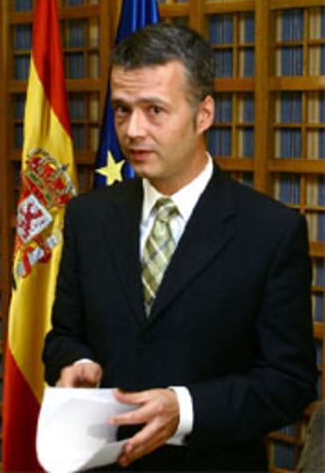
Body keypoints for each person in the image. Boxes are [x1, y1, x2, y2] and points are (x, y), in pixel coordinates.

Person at [42, 23, 316, 471]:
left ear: (203, 113)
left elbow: (288, 383)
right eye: (122, 110)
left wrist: (184, 409)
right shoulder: (88, 217)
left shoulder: (270, 231)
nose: (133, 130)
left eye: (154, 110)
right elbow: (63, 334)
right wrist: (78, 361)